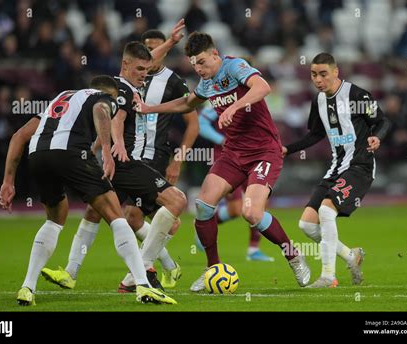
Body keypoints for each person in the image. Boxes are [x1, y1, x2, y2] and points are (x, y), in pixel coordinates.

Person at [134, 32, 311, 292]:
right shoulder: (206, 83)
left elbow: (263, 87)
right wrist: (149, 108)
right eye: (195, 64)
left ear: (215, 54)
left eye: (203, 62)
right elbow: (186, 103)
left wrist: (233, 107)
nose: (199, 69)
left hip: (264, 151)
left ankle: (293, 255)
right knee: (204, 205)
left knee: (251, 212)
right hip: (233, 153)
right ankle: (212, 268)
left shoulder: (234, 66)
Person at [0, 75, 176, 305]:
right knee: (115, 215)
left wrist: (8, 181)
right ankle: (143, 285)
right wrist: (106, 151)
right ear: (112, 93)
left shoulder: (60, 98)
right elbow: (102, 110)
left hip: (38, 156)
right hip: (72, 153)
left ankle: (27, 287)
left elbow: (19, 136)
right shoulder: (103, 97)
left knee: (55, 219)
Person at [41, 36, 188, 293]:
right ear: (125, 64)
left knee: (95, 213)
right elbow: (118, 118)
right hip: (124, 164)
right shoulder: (123, 88)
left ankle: (70, 273)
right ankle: (143, 268)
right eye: (140, 69)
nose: (145, 74)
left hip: (115, 162)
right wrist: (115, 146)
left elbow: (106, 117)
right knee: (176, 202)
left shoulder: (120, 84)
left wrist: (171, 42)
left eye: (147, 69)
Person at [282, 53, 391, 288]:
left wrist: (376, 137)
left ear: (335, 72)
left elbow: (382, 121)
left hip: (360, 165)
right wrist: (287, 149)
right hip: (336, 167)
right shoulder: (318, 101)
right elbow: (316, 134)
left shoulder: (356, 95)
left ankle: (328, 276)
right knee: (307, 225)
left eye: (323, 74)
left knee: (326, 211)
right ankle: (351, 256)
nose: (318, 80)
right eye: (313, 74)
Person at [120, 29, 199, 289]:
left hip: (155, 158)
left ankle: (141, 273)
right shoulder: (133, 81)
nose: (155, 55)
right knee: (130, 217)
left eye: (160, 49)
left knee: (128, 215)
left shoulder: (173, 81)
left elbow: (193, 124)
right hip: (129, 157)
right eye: (149, 49)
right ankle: (163, 265)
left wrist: (178, 159)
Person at [196, 104, 274, 262]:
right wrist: (221, 139)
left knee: (259, 203)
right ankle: (202, 226)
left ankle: (253, 249)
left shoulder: (251, 98)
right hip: (228, 158)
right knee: (235, 210)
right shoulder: (221, 98)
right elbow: (201, 124)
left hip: (252, 155)